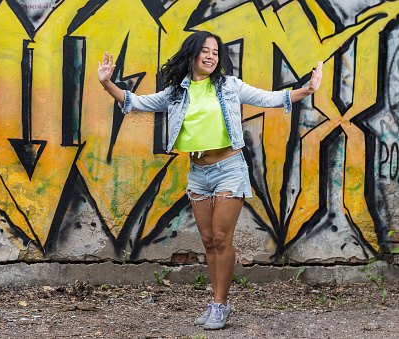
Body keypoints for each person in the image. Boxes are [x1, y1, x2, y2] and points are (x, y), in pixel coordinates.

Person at [97, 31, 322, 330]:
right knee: (207, 241)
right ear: (192, 55)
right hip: (198, 174)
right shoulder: (177, 92)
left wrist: (306, 89)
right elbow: (136, 102)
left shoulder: (229, 86)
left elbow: (268, 98)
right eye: (205, 50)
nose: (211, 56)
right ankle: (219, 302)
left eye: (215, 52)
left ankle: (219, 304)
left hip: (229, 168)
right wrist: (107, 83)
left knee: (220, 238)